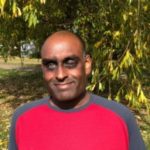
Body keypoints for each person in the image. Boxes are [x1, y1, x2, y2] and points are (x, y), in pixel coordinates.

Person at [9, 31, 146, 150]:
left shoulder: (120, 117)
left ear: (86, 65)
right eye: (50, 65)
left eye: (70, 63)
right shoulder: (23, 118)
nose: (60, 75)